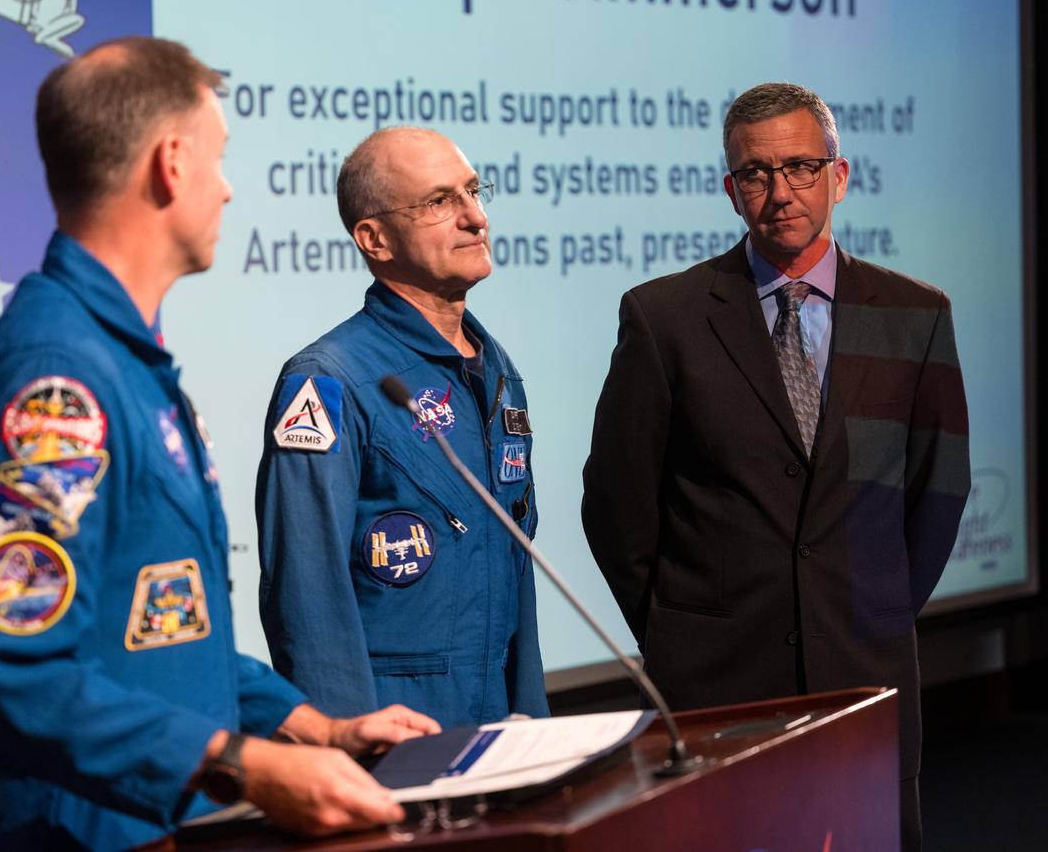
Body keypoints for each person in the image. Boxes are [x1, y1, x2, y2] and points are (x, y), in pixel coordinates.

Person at [0, 36, 439, 851]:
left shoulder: (123, 362)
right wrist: (244, 766)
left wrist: (314, 728)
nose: (228, 187)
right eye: (220, 156)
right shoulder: (59, 380)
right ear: (172, 163)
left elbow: (162, 637)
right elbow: (21, 672)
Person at [581, 82, 969, 851]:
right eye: (755, 173)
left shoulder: (914, 314)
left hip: (863, 675)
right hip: (716, 683)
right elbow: (617, 506)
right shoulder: (665, 318)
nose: (780, 191)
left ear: (839, 176)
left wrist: (876, 606)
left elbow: (938, 492)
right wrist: (677, 631)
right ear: (732, 191)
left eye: (800, 167)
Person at [256, 126, 548, 730]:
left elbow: (516, 569)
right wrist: (345, 742)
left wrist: (534, 723)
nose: (476, 217)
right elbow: (306, 590)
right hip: (393, 734)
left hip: (499, 731)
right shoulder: (327, 381)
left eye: (474, 192)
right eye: (439, 201)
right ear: (374, 238)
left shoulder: (496, 369)